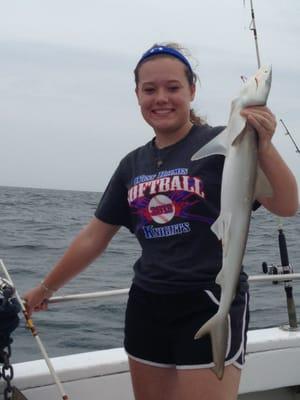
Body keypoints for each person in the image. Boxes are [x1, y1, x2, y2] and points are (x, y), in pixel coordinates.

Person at [24, 43, 299, 400]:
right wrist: (45, 289)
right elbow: (95, 236)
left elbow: (287, 205)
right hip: (147, 304)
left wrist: (262, 144)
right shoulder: (131, 165)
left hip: (209, 298)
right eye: (149, 89)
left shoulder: (227, 144)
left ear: (192, 91)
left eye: (173, 87)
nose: (161, 98)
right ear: (137, 95)